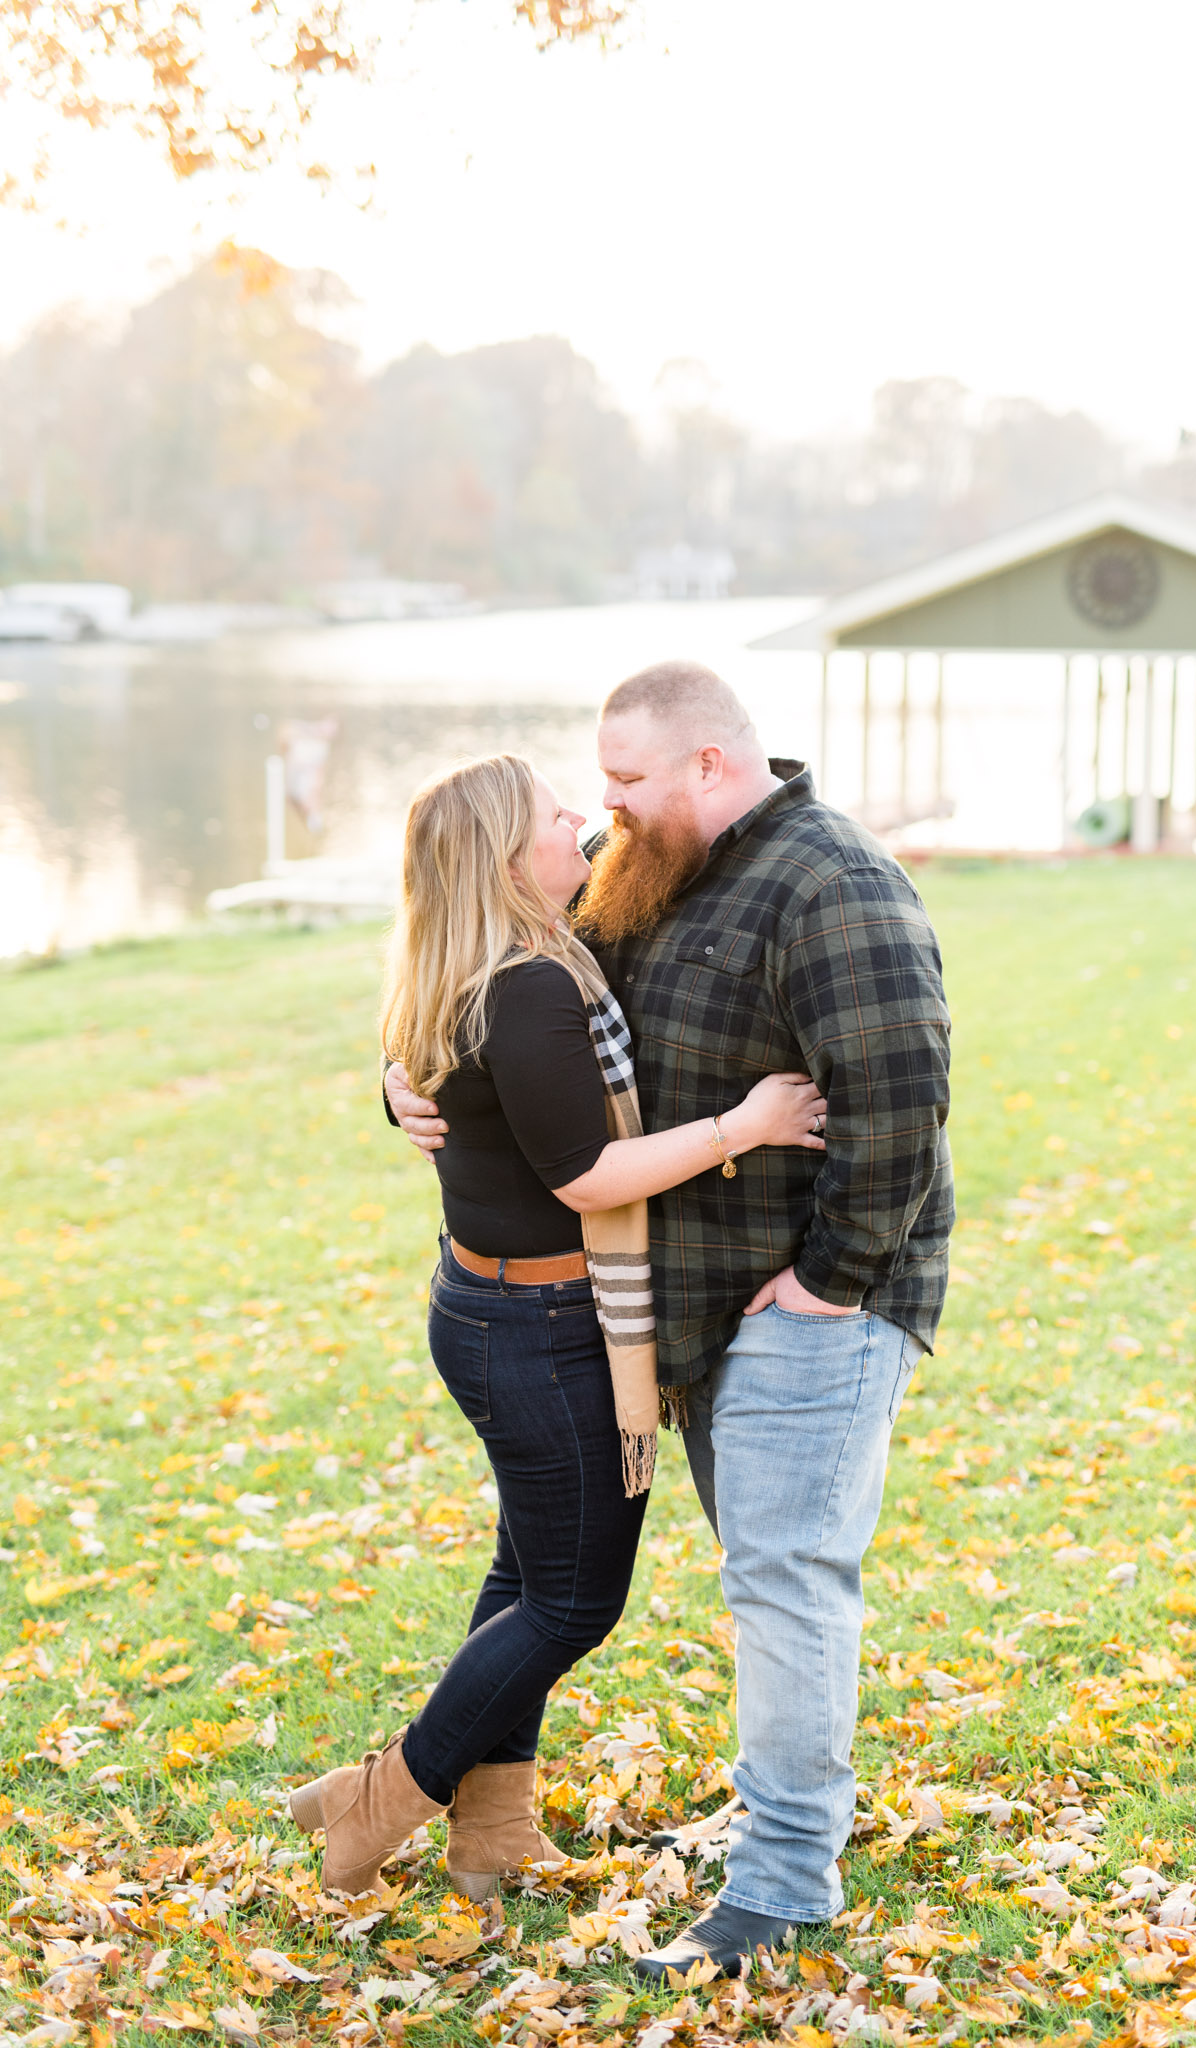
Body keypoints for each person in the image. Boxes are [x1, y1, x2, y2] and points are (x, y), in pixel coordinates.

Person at [386, 665, 954, 1976]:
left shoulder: (833, 887)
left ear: (708, 763)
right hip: (680, 1302)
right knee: (751, 1572)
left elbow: (900, 1103)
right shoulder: (648, 867)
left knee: (783, 1574)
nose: (600, 814)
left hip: (809, 1298)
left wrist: (829, 1284)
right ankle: (772, 1813)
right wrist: (403, 1089)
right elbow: (497, 994)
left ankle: (782, 1880)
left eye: (626, 782)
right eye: (592, 790)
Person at [288, 752, 828, 1901]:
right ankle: (376, 1800)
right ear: (500, 856)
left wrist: (393, 1079)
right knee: (573, 1598)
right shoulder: (526, 981)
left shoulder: (477, 951)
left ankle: (494, 1830)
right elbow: (586, 1171)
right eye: (550, 815)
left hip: (493, 1306)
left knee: (524, 1573)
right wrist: (748, 1120)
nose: (580, 818)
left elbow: (447, 1068)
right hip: (535, 1321)